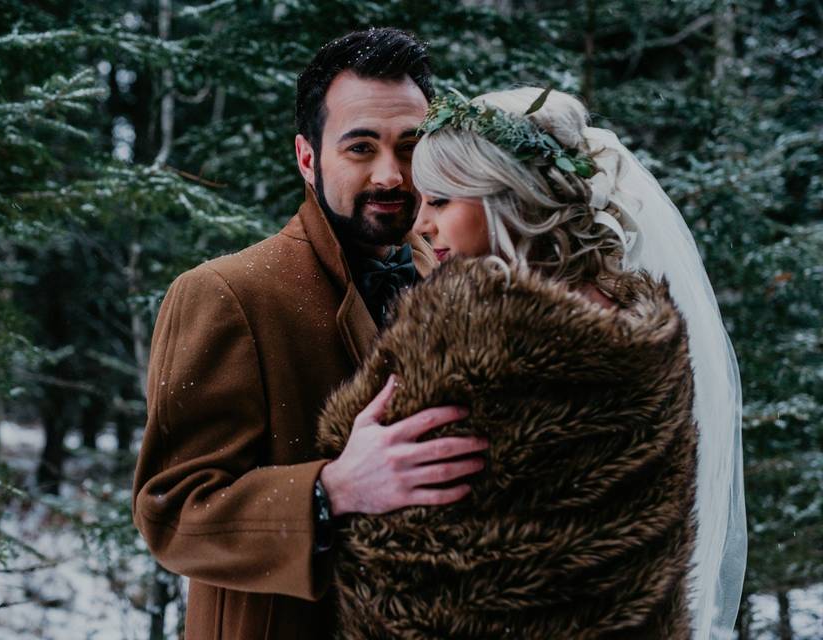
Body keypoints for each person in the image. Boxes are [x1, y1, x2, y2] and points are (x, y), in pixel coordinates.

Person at [316, 88, 746, 639]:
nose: (420, 224)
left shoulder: (465, 335)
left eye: (442, 202)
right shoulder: (642, 325)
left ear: (509, 198)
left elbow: (402, 554)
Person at [131, 29, 488, 640]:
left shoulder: (456, 277)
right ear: (306, 157)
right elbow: (171, 512)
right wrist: (331, 491)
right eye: (359, 147)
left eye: (409, 147)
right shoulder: (227, 294)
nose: (390, 175)